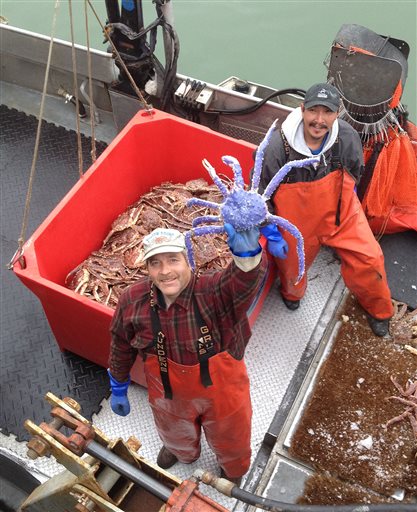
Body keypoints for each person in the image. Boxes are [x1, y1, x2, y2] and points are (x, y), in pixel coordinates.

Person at [108, 225, 267, 485]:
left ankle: (233, 468)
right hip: (168, 392)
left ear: (188, 261)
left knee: (232, 435)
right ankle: (182, 452)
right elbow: (120, 343)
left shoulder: (214, 290)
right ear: (147, 268)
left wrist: (247, 255)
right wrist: (118, 384)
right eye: (155, 263)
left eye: (173, 260)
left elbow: (243, 281)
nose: (165, 271)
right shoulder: (132, 300)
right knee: (173, 431)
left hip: (223, 390)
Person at [256, 82, 393, 336]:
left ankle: (379, 310)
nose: (319, 120)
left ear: (336, 113)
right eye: (313, 111)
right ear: (302, 109)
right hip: (297, 223)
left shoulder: (348, 137)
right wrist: (272, 234)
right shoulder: (277, 146)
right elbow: (262, 196)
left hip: (341, 212)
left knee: (370, 258)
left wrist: (347, 201)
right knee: (292, 270)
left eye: (327, 112)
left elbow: (355, 171)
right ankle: (292, 294)